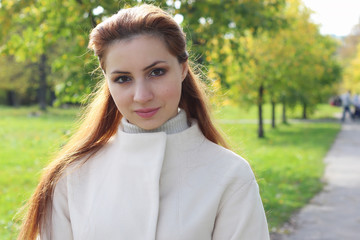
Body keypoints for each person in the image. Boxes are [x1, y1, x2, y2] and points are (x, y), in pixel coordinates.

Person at [18, 4, 269, 240]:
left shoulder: (230, 175)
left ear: (182, 68)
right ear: (107, 80)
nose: (142, 96)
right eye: (123, 79)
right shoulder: (72, 176)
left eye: (156, 72)